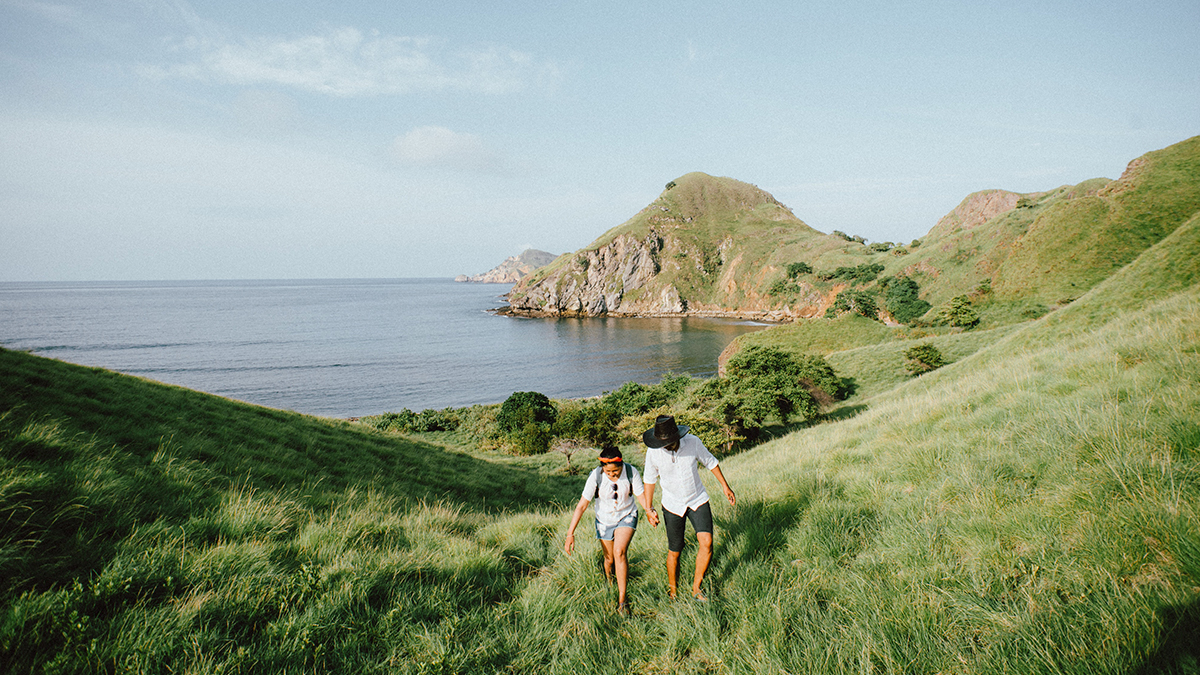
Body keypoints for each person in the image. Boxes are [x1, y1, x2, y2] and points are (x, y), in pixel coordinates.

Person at [641, 415, 735, 601]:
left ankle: (696, 587)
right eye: (663, 443)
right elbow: (649, 480)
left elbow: (710, 462)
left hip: (697, 499)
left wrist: (725, 486)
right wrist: (648, 508)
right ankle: (673, 592)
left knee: (707, 542)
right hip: (672, 504)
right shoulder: (654, 452)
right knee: (675, 550)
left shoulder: (693, 442)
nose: (666, 446)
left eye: (669, 442)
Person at [564, 445, 659, 614]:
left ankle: (622, 600)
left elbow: (641, 496)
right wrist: (570, 533)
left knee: (619, 552)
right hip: (604, 520)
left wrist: (649, 511)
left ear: (621, 465)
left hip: (627, 515)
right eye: (608, 472)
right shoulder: (596, 476)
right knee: (609, 559)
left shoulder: (631, 472)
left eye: (615, 471)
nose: (612, 475)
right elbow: (582, 506)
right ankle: (609, 582)